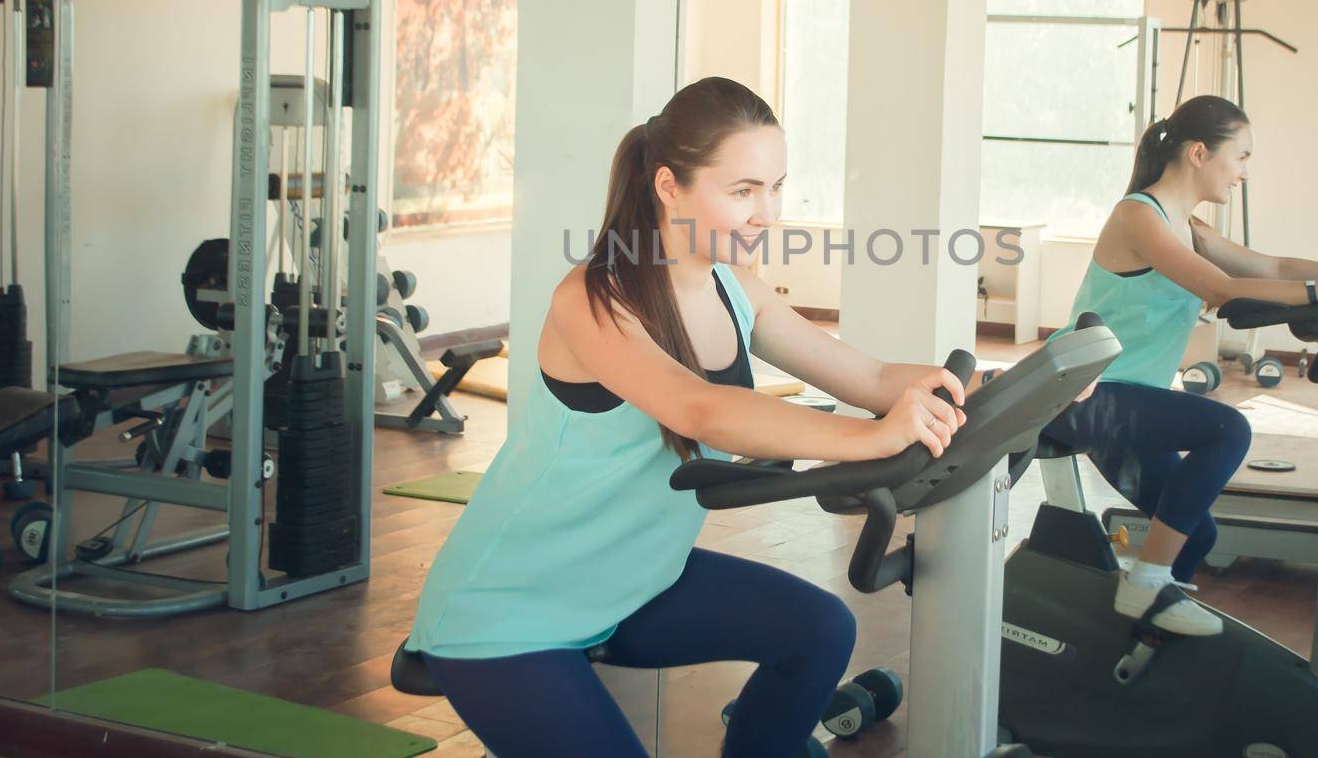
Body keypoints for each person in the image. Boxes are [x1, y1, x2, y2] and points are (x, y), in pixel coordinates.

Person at [407, 76, 970, 756]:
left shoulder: (736, 286)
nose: (767, 211)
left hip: (631, 582)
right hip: (511, 609)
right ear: (670, 185)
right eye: (743, 191)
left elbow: (873, 376)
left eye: (775, 186)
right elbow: (698, 406)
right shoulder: (593, 298)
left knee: (819, 631)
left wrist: (995, 387)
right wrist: (871, 437)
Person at [1043, 94, 1318, 635]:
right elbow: (1222, 288)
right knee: (1227, 430)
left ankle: (1139, 634)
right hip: (1087, 394)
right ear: (1201, 153)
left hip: (1128, 400)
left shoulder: (1192, 227)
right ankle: (1147, 584)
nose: (1245, 174)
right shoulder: (1138, 215)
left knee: (1197, 533)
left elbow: (1270, 264)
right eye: (1243, 157)